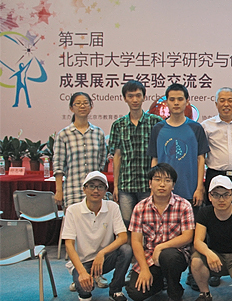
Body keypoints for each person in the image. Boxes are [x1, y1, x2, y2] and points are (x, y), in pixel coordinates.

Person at [126, 163, 195, 301]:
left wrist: (161, 247)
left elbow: (188, 236)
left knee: (168, 256)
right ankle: (160, 283)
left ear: (173, 185)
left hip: (175, 255)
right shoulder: (140, 207)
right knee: (135, 292)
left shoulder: (183, 205)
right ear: (150, 184)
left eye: (167, 180)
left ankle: (175, 292)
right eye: (157, 180)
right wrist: (144, 269)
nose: (162, 184)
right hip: (150, 257)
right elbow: (136, 241)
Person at [62, 171, 132, 301]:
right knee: (85, 293)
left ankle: (116, 290)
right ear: (84, 189)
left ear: (105, 190)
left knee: (126, 249)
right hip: (84, 262)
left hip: (105, 259)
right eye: (91, 186)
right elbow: (69, 245)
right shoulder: (73, 210)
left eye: (100, 186)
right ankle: (82, 279)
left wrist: (102, 253)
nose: (96, 190)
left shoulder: (112, 207)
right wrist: (82, 272)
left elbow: (123, 237)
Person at [148, 83, 209, 215]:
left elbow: (201, 160)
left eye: (180, 99)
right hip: (163, 191)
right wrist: (153, 189)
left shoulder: (196, 128)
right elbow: (155, 160)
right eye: (172, 99)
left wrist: (199, 188)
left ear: (187, 102)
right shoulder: (158, 129)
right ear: (166, 102)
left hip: (190, 191)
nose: (176, 103)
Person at [109, 80, 163, 226]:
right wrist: (116, 186)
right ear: (124, 98)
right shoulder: (118, 125)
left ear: (144, 97)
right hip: (126, 185)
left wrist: (156, 183)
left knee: (148, 223)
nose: (135, 100)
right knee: (127, 223)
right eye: (130, 96)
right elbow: (117, 157)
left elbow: (159, 156)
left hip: (148, 185)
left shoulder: (155, 122)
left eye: (138, 95)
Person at [53, 92, 107, 208]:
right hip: (73, 190)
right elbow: (58, 165)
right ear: (71, 108)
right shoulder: (64, 134)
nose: (82, 106)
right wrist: (59, 191)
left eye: (85, 103)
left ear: (91, 106)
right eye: (78, 103)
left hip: (95, 191)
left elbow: (102, 160)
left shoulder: (98, 133)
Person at [201, 87, 232, 209]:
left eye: (230, 100)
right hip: (215, 176)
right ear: (216, 104)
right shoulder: (206, 126)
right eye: (222, 100)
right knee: (214, 213)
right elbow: (201, 157)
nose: (226, 104)